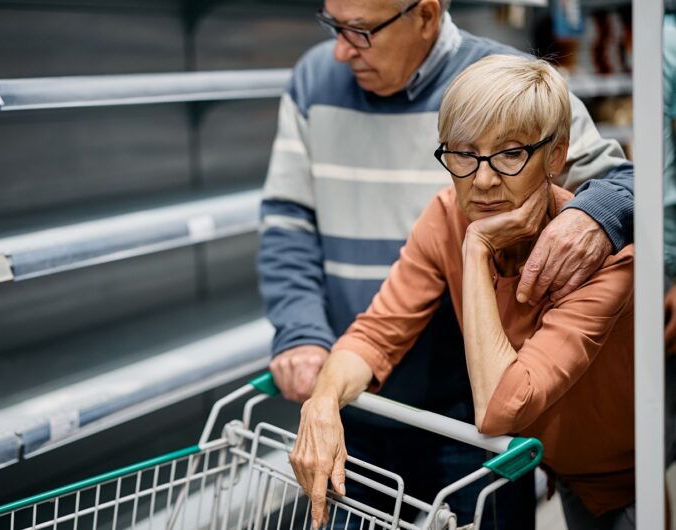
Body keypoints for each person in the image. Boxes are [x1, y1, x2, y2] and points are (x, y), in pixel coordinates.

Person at [258, 0, 634, 525]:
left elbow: (625, 183)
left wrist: (479, 246)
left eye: (509, 155)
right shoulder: (445, 212)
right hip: (496, 432)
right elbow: (374, 329)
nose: (481, 181)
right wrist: (321, 400)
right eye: (461, 154)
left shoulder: (594, 246)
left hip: (606, 465)